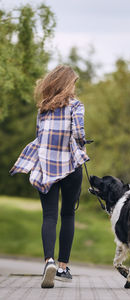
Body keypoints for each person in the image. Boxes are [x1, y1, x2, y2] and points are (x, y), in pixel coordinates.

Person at [9, 65, 89, 288]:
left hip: (46, 166)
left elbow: (39, 135)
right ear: (67, 83)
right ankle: (63, 267)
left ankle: (49, 262)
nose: (75, 87)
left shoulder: (43, 108)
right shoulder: (76, 105)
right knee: (68, 215)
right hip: (71, 165)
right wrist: (83, 146)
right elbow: (79, 134)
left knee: (50, 216)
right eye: (73, 82)